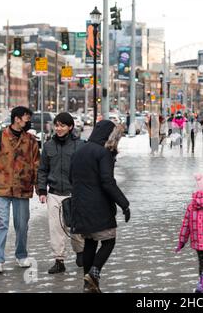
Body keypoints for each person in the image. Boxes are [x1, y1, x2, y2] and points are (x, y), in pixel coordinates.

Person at [70, 120, 130, 293]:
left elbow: (71, 179)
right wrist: (124, 204)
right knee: (108, 241)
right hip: (98, 206)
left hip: (79, 204)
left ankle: (88, 285)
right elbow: (107, 182)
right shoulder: (103, 153)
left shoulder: (79, 150)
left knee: (89, 241)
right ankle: (93, 274)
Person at [0, 106, 40, 274]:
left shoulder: (32, 140)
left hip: (22, 189)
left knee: (22, 225)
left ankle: (21, 255)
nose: (28, 121)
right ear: (17, 119)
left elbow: (36, 165)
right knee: (2, 224)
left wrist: (40, 188)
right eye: (26, 118)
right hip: (1, 188)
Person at [37, 113, 86, 274]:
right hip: (55, 193)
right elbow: (43, 170)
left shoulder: (80, 145)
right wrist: (42, 190)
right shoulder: (49, 146)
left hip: (74, 194)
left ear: (70, 127)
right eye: (56, 125)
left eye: (62, 125)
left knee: (76, 227)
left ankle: (80, 252)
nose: (58, 128)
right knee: (56, 228)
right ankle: (59, 260)